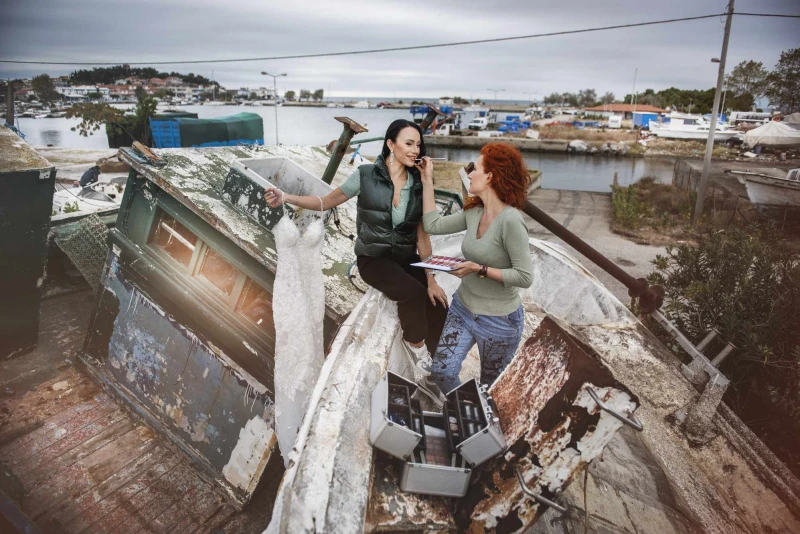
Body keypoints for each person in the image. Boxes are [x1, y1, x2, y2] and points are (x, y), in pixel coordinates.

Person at [264, 119, 449, 401]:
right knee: (412, 293)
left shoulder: (419, 184)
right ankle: (417, 349)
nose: (415, 150)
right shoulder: (364, 176)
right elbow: (325, 201)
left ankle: (435, 367)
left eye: (418, 145)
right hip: (374, 259)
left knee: (437, 304)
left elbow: (425, 235)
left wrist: (432, 278)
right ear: (390, 144)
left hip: (405, 257)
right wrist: (286, 196)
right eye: (409, 143)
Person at [419, 143, 533, 393]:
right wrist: (427, 180)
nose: (469, 173)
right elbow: (433, 225)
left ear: (490, 176)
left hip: (499, 321)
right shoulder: (474, 212)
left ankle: (478, 427)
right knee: (442, 370)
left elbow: (524, 277)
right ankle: (464, 410)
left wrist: (478, 268)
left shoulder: (511, 221)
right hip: (462, 309)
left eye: (475, 168)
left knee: (491, 388)